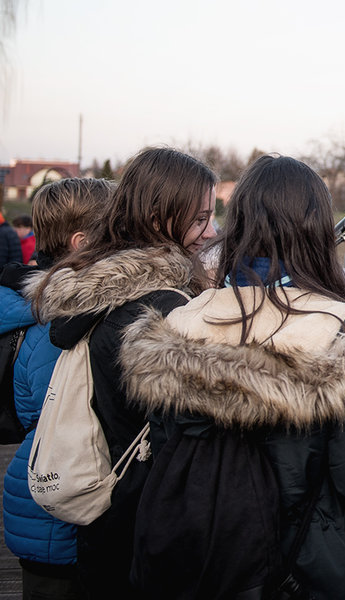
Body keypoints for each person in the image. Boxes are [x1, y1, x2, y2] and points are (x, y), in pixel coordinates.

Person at [118, 154, 345, 599]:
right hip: (310, 570)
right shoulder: (339, 329)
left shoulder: (180, 321)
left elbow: (164, 447)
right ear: (314, 229)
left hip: (204, 562)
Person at [26, 147, 218, 599]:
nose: (211, 232)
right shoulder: (162, 308)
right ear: (157, 219)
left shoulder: (98, 290)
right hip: (154, 530)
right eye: (200, 219)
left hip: (109, 521)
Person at [0, 178, 113, 600]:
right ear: (81, 242)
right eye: (114, 228)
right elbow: (67, 413)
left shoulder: (32, 308)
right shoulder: (58, 325)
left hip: (38, 496)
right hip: (60, 505)